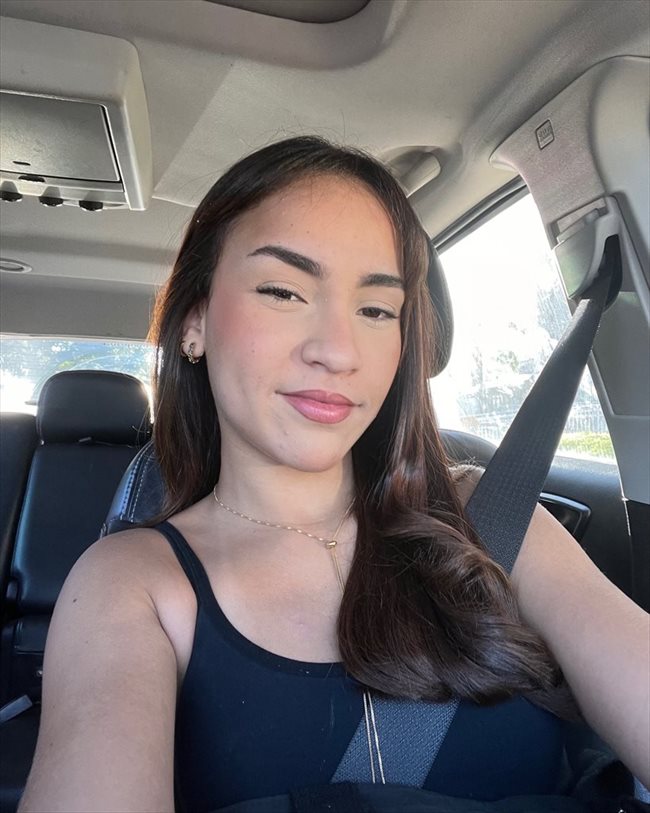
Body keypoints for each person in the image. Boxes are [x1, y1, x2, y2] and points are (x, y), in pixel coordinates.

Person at [19, 137, 649, 812]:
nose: (338, 351)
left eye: (376, 309)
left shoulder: (498, 522)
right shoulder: (130, 585)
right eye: (283, 291)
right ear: (194, 321)